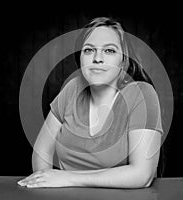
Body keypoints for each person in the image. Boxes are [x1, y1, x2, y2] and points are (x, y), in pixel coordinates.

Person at [18, 17, 163, 188]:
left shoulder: (142, 94)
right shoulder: (72, 88)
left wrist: (66, 179)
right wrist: (44, 184)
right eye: (88, 50)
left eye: (109, 51)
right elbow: (42, 151)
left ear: (123, 60)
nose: (97, 58)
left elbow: (142, 175)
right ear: (80, 58)